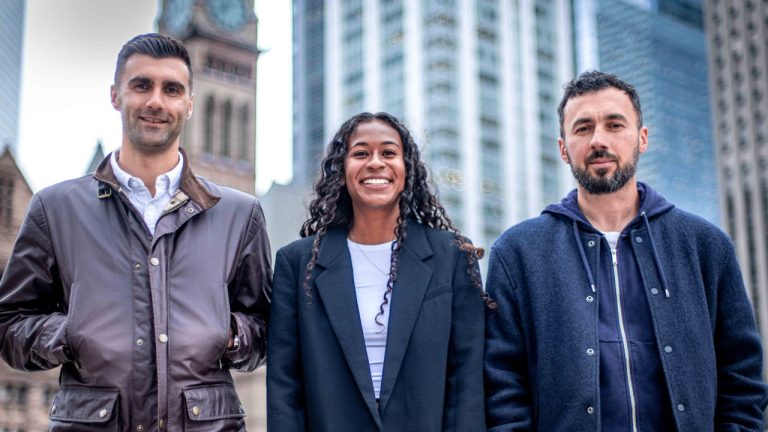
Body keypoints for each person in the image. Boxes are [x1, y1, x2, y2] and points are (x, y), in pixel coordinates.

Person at [0, 33, 271, 431]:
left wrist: (228, 335)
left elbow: (266, 326)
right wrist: (71, 332)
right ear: (115, 95)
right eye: (141, 85)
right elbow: (9, 324)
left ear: (189, 103)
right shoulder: (54, 208)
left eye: (172, 89)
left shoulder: (240, 213)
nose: (156, 101)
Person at [484, 70, 768, 431]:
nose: (598, 140)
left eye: (615, 125)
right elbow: (502, 384)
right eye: (583, 128)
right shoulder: (519, 252)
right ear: (562, 148)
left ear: (642, 138)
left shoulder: (705, 246)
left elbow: (741, 376)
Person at [267, 111, 487, 431]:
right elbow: (285, 386)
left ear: (406, 169)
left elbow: (467, 380)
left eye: (388, 152)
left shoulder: (452, 256)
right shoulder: (296, 264)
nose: (375, 163)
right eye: (360, 153)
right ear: (342, 171)